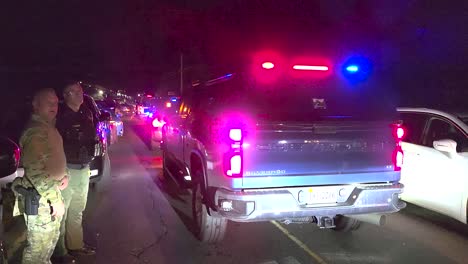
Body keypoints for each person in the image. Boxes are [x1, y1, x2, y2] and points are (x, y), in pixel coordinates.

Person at [11, 88, 69, 264]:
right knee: (37, 251)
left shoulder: (47, 127)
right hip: (41, 199)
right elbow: (35, 171)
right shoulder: (35, 131)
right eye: (48, 102)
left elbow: (52, 158)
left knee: (47, 246)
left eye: (56, 102)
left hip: (49, 195)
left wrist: (64, 175)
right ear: (36, 105)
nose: (54, 105)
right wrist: (55, 200)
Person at [53, 82, 96, 260]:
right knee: (62, 213)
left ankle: (75, 245)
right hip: (67, 170)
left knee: (78, 210)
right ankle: (60, 252)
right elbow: (56, 147)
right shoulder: (60, 118)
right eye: (76, 92)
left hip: (83, 168)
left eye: (81, 91)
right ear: (66, 95)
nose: (81, 94)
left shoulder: (85, 112)